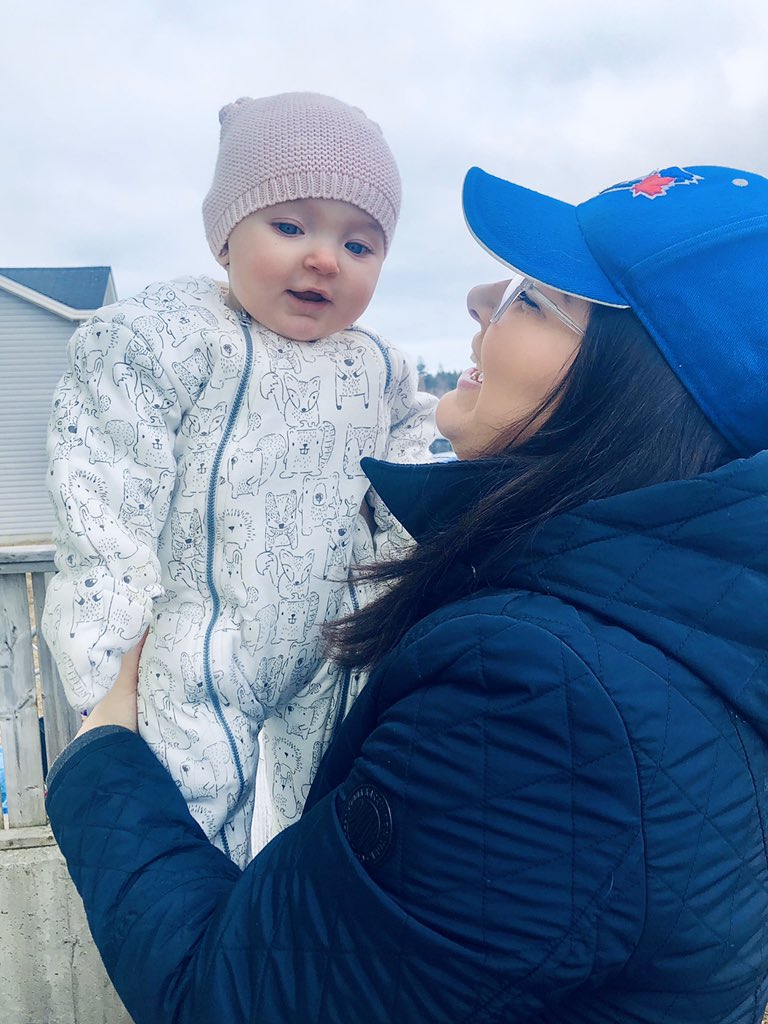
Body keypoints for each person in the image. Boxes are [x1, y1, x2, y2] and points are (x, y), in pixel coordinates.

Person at [46, 163, 768, 1023]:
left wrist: (103, 756)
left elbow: (230, 999)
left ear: (642, 394)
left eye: (536, 299)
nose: (479, 293)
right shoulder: (688, 631)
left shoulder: (544, 704)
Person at [41, 92, 437, 865]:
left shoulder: (378, 365)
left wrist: (407, 575)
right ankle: (205, 962)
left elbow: (412, 468)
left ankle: (307, 945)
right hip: (202, 644)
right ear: (224, 237)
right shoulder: (173, 337)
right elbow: (106, 501)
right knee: (189, 839)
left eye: (361, 245)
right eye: (290, 227)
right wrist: (103, 670)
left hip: (338, 638)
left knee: (341, 820)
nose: (325, 258)